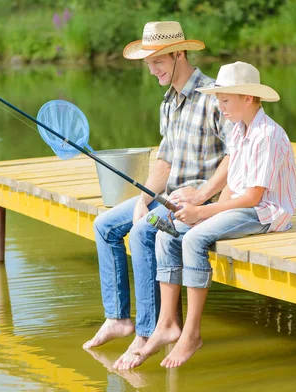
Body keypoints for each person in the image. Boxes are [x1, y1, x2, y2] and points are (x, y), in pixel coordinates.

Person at [82, 21, 232, 371]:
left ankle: (150, 330)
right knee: (105, 224)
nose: (151, 70)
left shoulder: (213, 95)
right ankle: (119, 318)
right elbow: (164, 159)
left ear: (179, 53)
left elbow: (234, 155)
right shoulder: (167, 101)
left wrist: (203, 194)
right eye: (148, 63)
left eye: (157, 61)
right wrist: (143, 198)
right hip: (167, 196)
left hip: (200, 202)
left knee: (141, 233)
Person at [134, 61, 296, 368]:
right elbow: (232, 182)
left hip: (266, 213)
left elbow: (253, 196)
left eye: (224, 100)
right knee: (166, 233)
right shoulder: (238, 130)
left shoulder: (267, 135)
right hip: (243, 205)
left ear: (247, 98)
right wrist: (204, 210)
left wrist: (203, 212)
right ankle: (167, 324)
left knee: (194, 239)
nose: (219, 106)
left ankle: (192, 334)